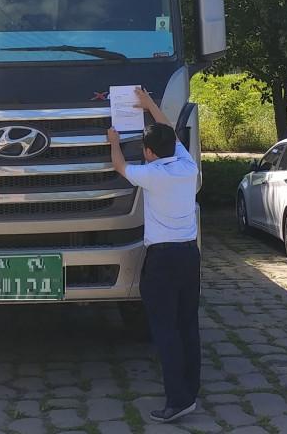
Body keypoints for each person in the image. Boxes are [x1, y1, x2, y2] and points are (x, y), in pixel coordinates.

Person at [107, 87, 200, 424]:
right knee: (188, 325)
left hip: (162, 261)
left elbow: (119, 166)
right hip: (189, 256)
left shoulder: (152, 175)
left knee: (165, 330)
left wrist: (113, 141)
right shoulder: (186, 166)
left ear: (148, 152)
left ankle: (177, 399)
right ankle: (191, 389)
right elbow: (169, 132)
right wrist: (149, 104)